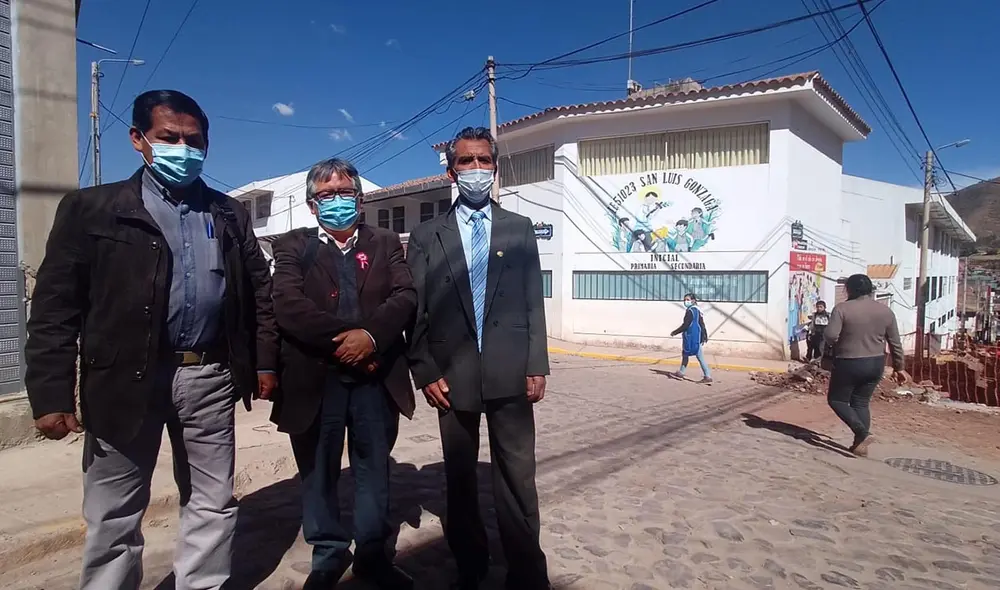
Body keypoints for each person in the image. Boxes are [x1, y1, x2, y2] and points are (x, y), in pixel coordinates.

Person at [24, 90, 279, 590]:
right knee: (114, 511)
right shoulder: (92, 209)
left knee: (212, 501)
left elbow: (258, 294)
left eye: (194, 140)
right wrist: (51, 393)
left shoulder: (229, 214)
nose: (183, 149)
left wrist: (263, 363)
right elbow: (55, 308)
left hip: (208, 377)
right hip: (122, 378)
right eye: (169, 138)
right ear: (138, 139)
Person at [406, 127, 550, 590]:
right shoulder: (427, 235)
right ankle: (470, 566)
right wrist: (425, 370)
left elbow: (533, 299)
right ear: (451, 172)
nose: (475, 169)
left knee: (518, 477)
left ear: (494, 167)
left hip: (511, 371)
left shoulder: (518, 227)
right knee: (461, 479)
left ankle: (527, 571)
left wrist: (537, 362)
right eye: (466, 161)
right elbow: (415, 309)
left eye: (483, 160)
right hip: (451, 376)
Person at [269, 158, 416, 590]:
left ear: (360, 199)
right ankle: (328, 553)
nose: (337, 200)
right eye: (327, 194)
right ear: (312, 205)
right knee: (318, 472)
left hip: (376, 378)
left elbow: (405, 295)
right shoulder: (292, 246)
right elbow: (287, 305)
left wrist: (370, 337)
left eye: (345, 192)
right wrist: (348, 343)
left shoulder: (385, 242)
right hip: (316, 380)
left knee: (374, 470)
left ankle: (372, 555)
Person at [824, 274, 909, 456]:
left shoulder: (842, 309)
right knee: (861, 403)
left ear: (849, 289)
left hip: (849, 362)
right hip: (876, 363)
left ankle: (862, 433)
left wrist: (839, 343)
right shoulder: (885, 311)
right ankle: (860, 446)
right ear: (870, 289)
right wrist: (899, 367)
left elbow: (830, 335)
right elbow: (895, 342)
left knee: (837, 400)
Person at [670, 293, 713, 384]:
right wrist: (704, 335)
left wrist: (675, 332)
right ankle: (681, 372)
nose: (686, 301)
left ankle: (707, 376)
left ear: (693, 301)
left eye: (688, 300)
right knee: (686, 354)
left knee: (698, 356)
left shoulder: (690, 311)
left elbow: (686, 325)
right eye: (685, 300)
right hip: (696, 336)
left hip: (692, 337)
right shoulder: (697, 310)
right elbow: (701, 323)